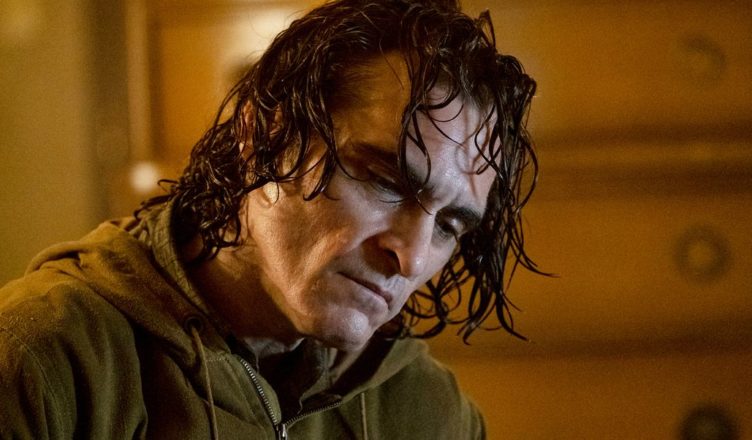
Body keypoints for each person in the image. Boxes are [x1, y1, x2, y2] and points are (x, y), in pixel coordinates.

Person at [0, 0, 539, 438]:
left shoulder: (426, 409)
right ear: (263, 135)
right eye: (384, 181)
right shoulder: (45, 360)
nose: (413, 257)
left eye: (448, 225)